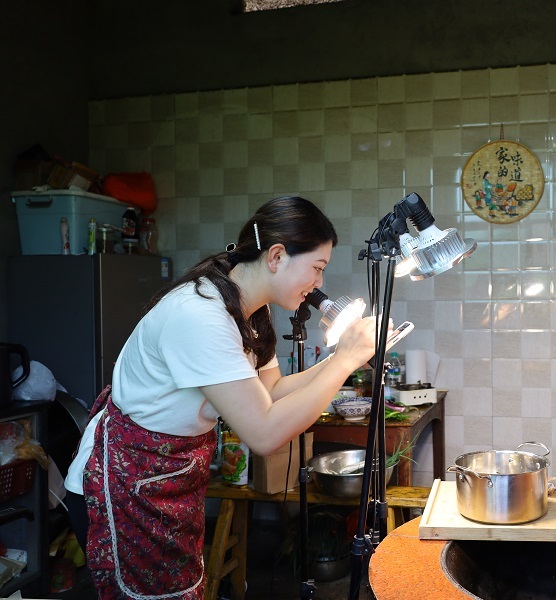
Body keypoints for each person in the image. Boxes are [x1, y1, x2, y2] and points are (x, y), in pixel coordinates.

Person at [63, 195, 378, 599]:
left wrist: (343, 360)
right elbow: (263, 433)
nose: (319, 283)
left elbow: (270, 393)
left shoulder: (251, 311)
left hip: (168, 477)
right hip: (123, 484)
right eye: (317, 267)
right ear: (276, 256)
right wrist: (344, 361)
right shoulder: (202, 315)